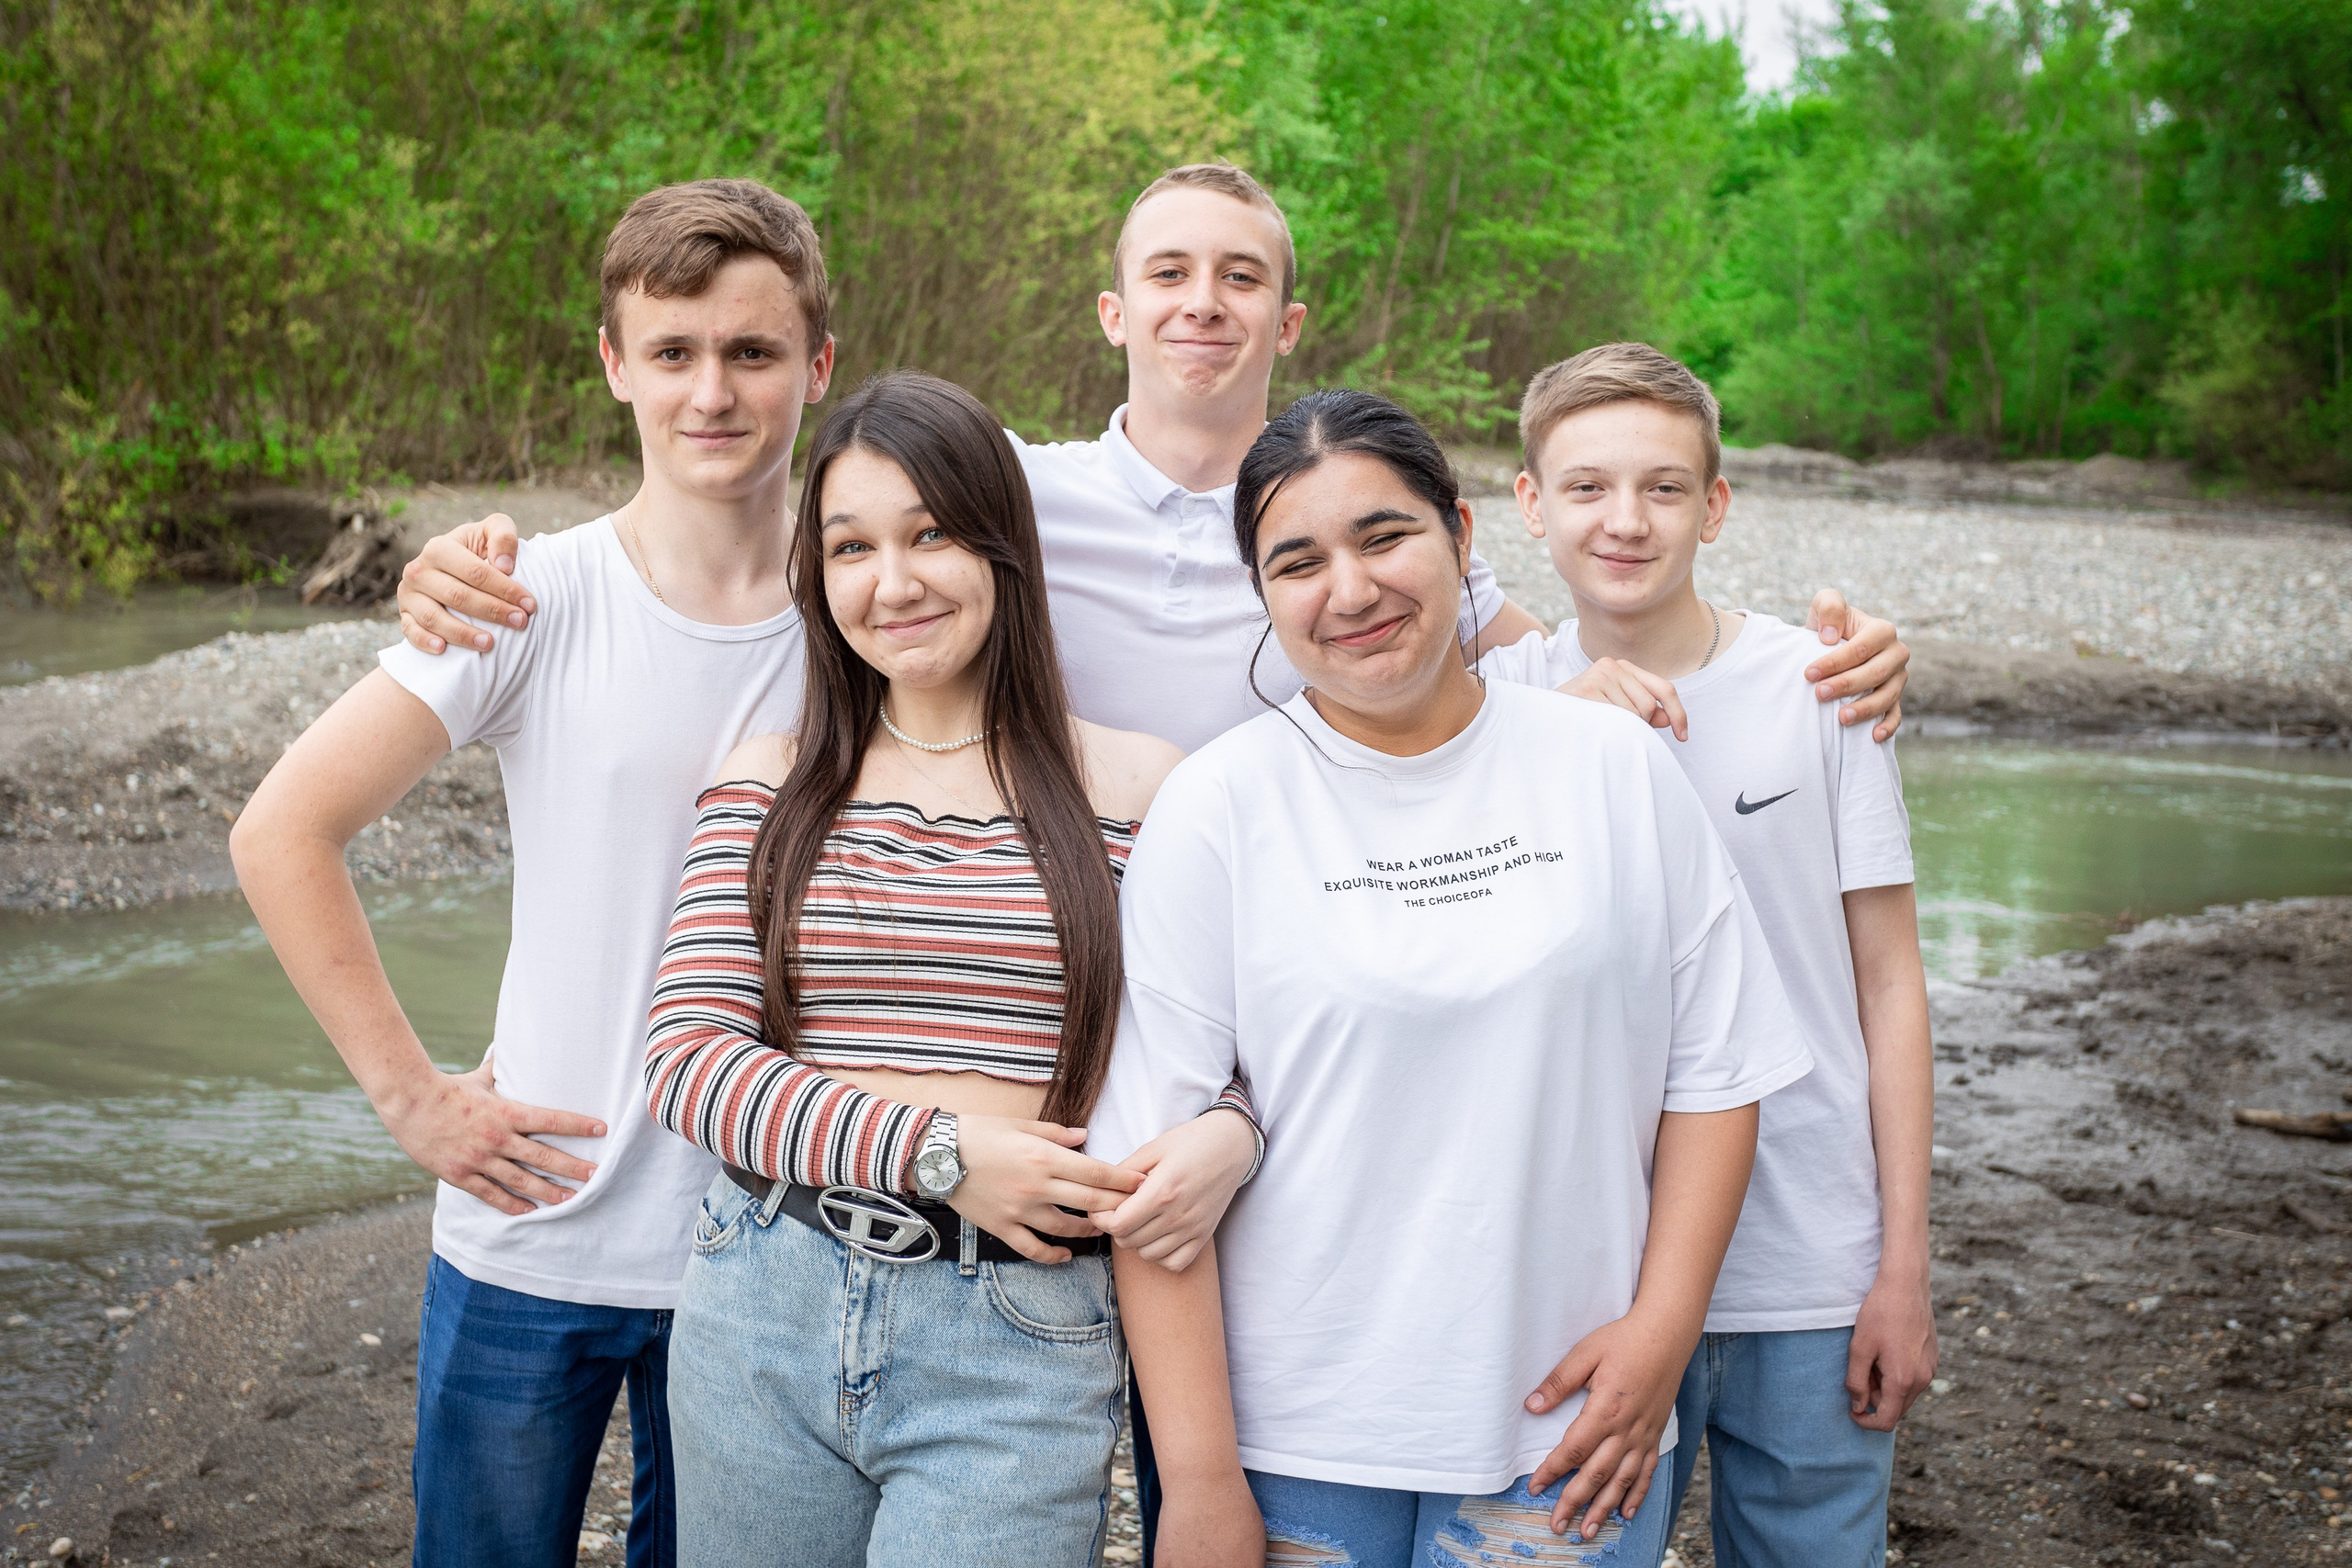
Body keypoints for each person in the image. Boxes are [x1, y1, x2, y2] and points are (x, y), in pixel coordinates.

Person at [1088, 388, 1815, 1568]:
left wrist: (1664, 1333)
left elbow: (1715, 1075)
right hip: (1296, 1436)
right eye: (1298, 561)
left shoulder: (1613, 769)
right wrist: (1202, 1480)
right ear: (1262, 597)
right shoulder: (1218, 807)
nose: (1352, 589)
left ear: (1462, 538)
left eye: (1385, 536)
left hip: (1572, 1423)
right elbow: (1150, 1185)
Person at [232, 178, 836, 1568]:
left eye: (751, 352)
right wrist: (411, 1097)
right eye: (673, 353)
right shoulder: (528, 595)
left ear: (816, 364)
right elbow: (281, 830)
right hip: (532, 1226)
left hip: (773, 1245)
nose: (712, 392)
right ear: (615, 362)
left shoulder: (872, 610)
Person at [639, 371, 1229, 1565]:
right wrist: (938, 1152)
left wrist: (1235, 1133)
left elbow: (1229, 1059)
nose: (891, 582)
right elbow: (689, 1064)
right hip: (765, 1295)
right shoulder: (772, 778)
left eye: (931, 534)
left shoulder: (1140, 789)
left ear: (1004, 546)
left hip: (1015, 1326)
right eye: (850, 546)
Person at [1479, 343, 1937, 1566]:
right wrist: (1546, 734)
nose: (1624, 520)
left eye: (1664, 487)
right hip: (1594, 1276)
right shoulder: (1490, 706)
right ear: (1529, 504)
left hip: (1810, 1268)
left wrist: (1902, 1262)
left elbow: (1889, 985)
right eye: (1584, 486)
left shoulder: (1820, 684)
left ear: (1715, 506)